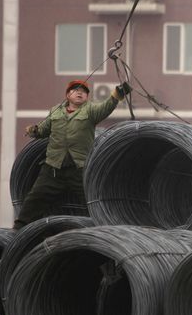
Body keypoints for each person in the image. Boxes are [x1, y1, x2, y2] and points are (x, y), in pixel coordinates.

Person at [13, 79, 131, 229]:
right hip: (53, 168)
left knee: (90, 201)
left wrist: (117, 95)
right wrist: (35, 131)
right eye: (75, 90)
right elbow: (44, 130)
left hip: (79, 168)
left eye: (83, 91)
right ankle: (19, 228)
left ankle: (100, 230)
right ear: (68, 95)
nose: (80, 92)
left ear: (87, 97)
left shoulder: (91, 111)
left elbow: (106, 108)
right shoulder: (56, 111)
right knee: (35, 197)